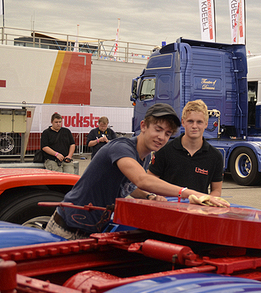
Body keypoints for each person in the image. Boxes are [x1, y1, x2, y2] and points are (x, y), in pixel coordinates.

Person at [45, 103, 229, 240]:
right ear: (143, 126)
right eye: (158, 129)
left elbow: (131, 185)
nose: (162, 137)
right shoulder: (121, 147)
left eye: (167, 133)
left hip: (94, 228)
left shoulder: (145, 155)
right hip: (68, 229)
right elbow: (141, 179)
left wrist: (149, 197)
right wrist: (190, 193)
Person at [148, 100, 224, 197]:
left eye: (199, 122)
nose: (194, 126)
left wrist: (207, 201)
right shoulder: (164, 151)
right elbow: (149, 182)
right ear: (183, 122)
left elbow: (216, 191)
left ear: (206, 124)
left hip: (197, 210)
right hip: (168, 208)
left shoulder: (215, 156)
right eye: (190, 121)